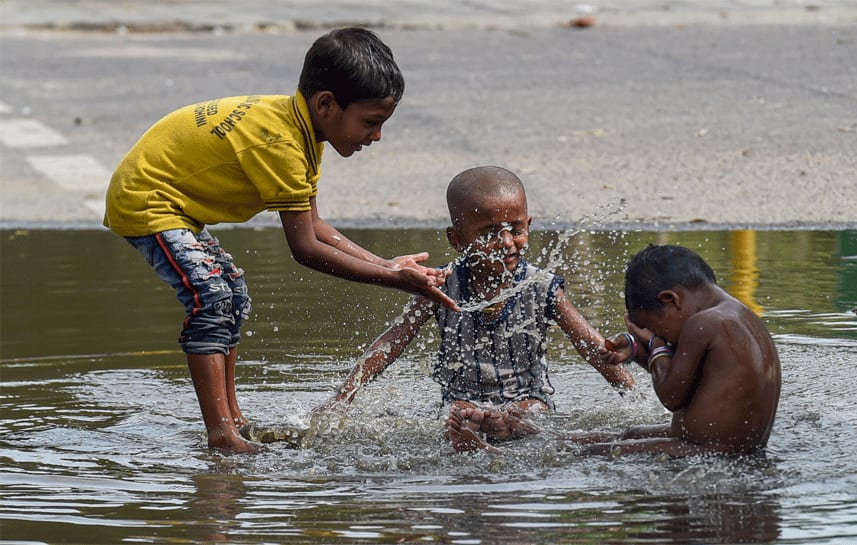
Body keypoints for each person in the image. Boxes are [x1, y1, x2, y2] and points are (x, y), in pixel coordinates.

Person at [103, 27, 457, 455]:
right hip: (147, 202)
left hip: (175, 206)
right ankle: (222, 436)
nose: (376, 137)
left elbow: (317, 225)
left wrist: (388, 264)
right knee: (211, 297)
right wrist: (394, 280)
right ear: (326, 103)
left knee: (231, 291)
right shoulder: (282, 142)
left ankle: (234, 422)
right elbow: (305, 248)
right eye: (371, 123)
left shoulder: (303, 128)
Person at [314, 166, 635, 452]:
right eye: (490, 233)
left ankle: (497, 433)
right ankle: (471, 439)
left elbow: (591, 347)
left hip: (528, 400)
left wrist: (636, 398)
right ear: (457, 240)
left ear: (529, 225)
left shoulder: (542, 286)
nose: (507, 242)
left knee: (530, 417)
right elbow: (391, 343)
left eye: (517, 229)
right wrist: (343, 398)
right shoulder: (438, 286)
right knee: (456, 417)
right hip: (462, 399)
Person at [566, 244, 781, 457]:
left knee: (595, 453)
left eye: (657, 329)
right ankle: (553, 437)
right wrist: (636, 351)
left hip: (710, 452)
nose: (660, 336)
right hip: (732, 447)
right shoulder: (735, 314)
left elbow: (672, 396)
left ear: (671, 300)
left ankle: (553, 444)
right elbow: (683, 377)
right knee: (630, 434)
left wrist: (656, 345)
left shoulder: (702, 324)